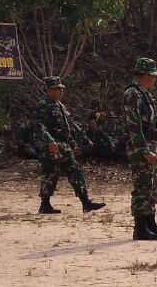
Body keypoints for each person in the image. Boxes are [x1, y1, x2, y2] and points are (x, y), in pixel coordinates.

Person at [31, 76, 106, 215]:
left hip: (64, 145)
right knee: (50, 175)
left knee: (75, 172)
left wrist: (72, 143)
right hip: (51, 146)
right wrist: (49, 141)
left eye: (61, 89)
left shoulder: (60, 106)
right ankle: (45, 204)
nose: (60, 92)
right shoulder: (42, 105)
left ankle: (86, 203)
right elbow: (39, 126)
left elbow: (66, 127)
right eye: (57, 89)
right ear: (48, 90)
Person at [123, 57, 157, 241]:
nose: (154, 79)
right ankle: (140, 228)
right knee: (142, 188)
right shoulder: (132, 94)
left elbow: (152, 127)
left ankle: (151, 223)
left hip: (150, 146)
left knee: (152, 188)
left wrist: (156, 149)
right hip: (139, 148)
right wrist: (145, 150)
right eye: (152, 75)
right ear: (143, 75)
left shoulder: (144, 93)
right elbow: (134, 126)